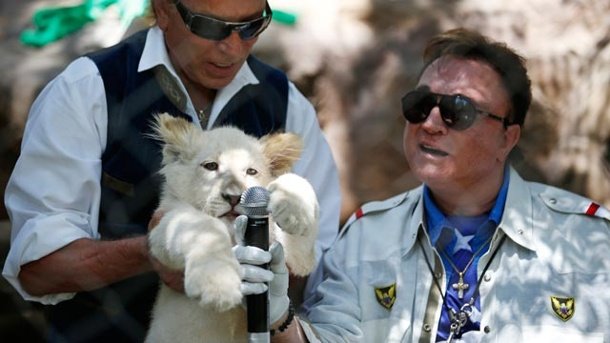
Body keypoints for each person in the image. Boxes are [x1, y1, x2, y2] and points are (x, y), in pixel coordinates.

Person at [2, 0, 340, 341]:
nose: (233, 47)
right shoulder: (88, 88)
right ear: (163, 9)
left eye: (252, 25)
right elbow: (38, 270)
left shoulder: (286, 103)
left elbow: (321, 271)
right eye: (210, 26)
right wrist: (157, 250)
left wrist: (272, 252)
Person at [248, 28, 610, 342]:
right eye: (421, 105)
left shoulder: (588, 240)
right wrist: (279, 316)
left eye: (459, 110)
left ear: (507, 138)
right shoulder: (364, 237)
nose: (431, 124)